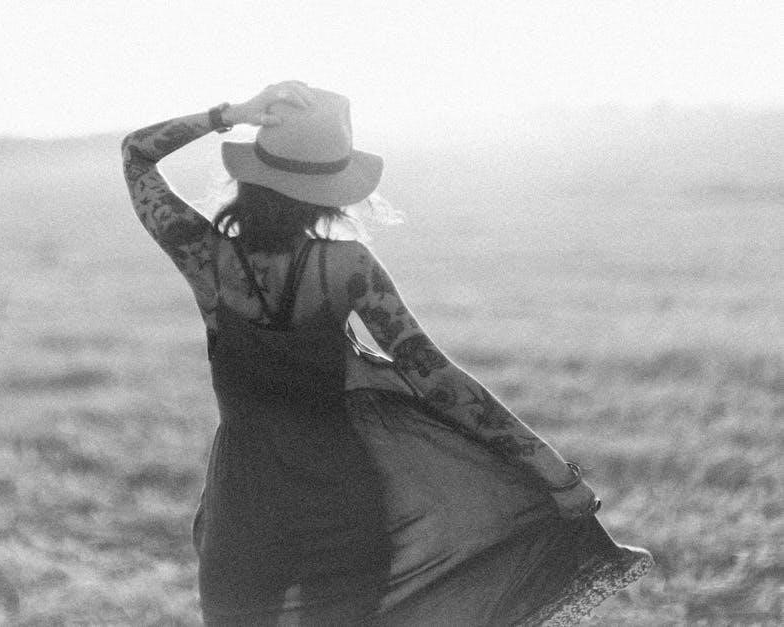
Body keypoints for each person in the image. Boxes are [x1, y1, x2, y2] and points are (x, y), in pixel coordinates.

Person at [121, 81, 652, 625]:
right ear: (328, 191)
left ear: (251, 176)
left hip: (245, 504)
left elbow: (137, 152)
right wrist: (554, 473)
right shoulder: (347, 266)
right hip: (342, 499)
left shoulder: (202, 256)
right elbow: (437, 378)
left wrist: (233, 113)